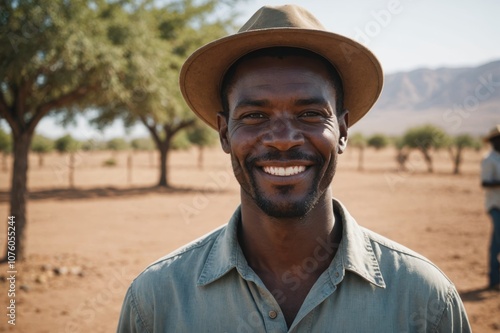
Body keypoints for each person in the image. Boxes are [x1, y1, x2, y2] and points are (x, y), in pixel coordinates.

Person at [117, 5, 471, 332]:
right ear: (225, 133)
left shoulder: (426, 300)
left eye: (310, 114)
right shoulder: (157, 302)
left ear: (343, 131)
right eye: (255, 115)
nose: (283, 140)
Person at [481, 125, 500, 291]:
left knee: (496, 243)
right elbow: (485, 182)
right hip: (494, 205)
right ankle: (494, 277)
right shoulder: (489, 159)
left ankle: (494, 278)